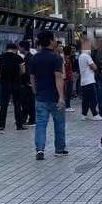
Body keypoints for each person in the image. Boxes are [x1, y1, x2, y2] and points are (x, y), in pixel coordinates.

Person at [30, 30, 68, 160]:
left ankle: (40, 150)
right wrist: (61, 97)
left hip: (41, 97)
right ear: (51, 41)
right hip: (55, 97)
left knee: (41, 124)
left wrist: (35, 90)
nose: (56, 41)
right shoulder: (57, 58)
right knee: (59, 123)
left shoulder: (35, 57)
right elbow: (58, 77)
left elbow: (32, 77)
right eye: (54, 39)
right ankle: (59, 149)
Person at [0, 41, 26, 131]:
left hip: (4, 83)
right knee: (17, 104)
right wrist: (17, 75)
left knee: (4, 104)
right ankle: (19, 125)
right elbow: (23, 71)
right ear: (15, 49)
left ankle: (1, 125)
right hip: (16, 83)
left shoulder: (0, 57)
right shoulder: (19, 58)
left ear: (6, 49)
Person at [76, 38, 101, 121]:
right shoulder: (87, 56)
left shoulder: (80, 56)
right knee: (93, 98)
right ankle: (95, 114)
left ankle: (84, 115)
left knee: (86, 99)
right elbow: (95, 67)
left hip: (83, 81)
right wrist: (93, 66)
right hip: (90, 81)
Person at [18, 40, 36, 126]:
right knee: (28, 102)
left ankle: (31, 119)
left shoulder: (28, 58)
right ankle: (25, 118)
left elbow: (28, 72)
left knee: (28, 102)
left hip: (27, 84)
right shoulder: (29, 57)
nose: (19, 49)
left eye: (19, 47)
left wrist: (28, 82)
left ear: (23, 48)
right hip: (28, 83)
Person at [63, 45, 77, 111]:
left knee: (67, 92)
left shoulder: (66, 58)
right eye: (71, 50)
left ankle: (67, 106)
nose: (73, 51)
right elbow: (67, 69)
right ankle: (67, 106)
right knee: (68, 92)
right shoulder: (67, 59)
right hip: (68, 78)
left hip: (68, 77)